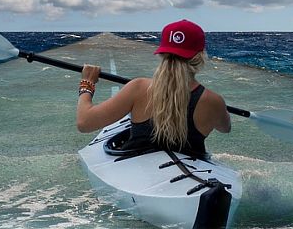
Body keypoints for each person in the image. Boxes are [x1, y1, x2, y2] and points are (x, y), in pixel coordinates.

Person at [75, 19, 231, 158]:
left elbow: (84, 122)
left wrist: (87, 83)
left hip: (137, 167)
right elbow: (225, 128)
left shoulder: (138, 88)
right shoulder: (213, 101)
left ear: (162, 53)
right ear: (200, 56)